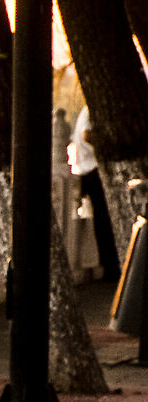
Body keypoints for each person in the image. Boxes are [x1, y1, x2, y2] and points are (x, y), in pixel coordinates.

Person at [71, 106, 123, 276]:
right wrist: (110, 147)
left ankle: (110, 264)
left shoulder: (88, 110)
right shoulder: (90, 110)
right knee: (104, 216)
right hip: (92, 169)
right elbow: (87, 135)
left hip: (88, 168)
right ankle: (110, 265)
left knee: (102, 216)